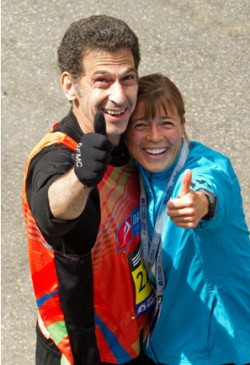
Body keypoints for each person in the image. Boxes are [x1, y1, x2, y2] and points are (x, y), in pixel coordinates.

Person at [22, 16, 155, 365]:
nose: (119, 95)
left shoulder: (127, 138)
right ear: (70, 85)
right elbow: (52, 209)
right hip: (82, 352)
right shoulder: (55, 155)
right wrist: (80, 178)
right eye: (102, 81)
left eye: (128, 79)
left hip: (138, 339)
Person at [125, 73, 250, 365]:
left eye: (166, 123)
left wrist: (199, 203)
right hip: (159, 344)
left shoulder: (209, 166)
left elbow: (211, 188)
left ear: (183, 124)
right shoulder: (134, 170)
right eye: (141, 125)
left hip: (219, 351)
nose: (154, 136)